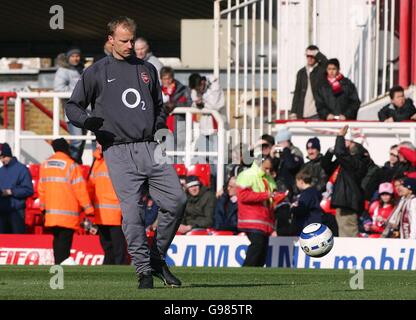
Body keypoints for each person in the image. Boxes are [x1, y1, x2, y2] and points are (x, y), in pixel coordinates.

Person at [65, 16, 187, 289]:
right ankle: (144, 271)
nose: (130, 45)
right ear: (110, 40)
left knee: (177, 200)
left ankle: (156, 256)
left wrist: (159, 128)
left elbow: (158, 108)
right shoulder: (95, 72)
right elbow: (72, 107)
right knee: (132, 214)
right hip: (117, 150)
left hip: (150, 147)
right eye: (124, 40)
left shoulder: (147, 70)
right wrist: (87, 122)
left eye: (132, 39)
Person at [38, 138, 94, 264]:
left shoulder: (45, 165)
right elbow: (80, 190)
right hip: (67, 214)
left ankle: (58, 265)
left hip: (51, 214)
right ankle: (62, 268)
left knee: (57, 240)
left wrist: (43, 208)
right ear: (66, 149)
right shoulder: (71, 165)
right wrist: (88, 208)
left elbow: (41, 189)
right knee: (65, 242)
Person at [87, 143, 127, 265]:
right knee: (108, 245)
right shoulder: (98, 162)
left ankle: (117, 267)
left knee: (116, 246)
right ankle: (111, 265)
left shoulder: (115, 162)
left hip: (114, 213)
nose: (98, 145)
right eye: (98, 143)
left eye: (100, 143)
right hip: (103, 213)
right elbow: (90, 187)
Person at [329, 125, 371, 237]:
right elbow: (328, 163)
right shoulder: (355, 162)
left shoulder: (356, 163)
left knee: (349, 234)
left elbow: (340, 153)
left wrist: (340, 137)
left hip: (348, 203)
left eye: (350, 142)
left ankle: (352, 253)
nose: (347, 144)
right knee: (344, 232)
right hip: (346, 203)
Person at [236, 156, 278, 267]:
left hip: (264, 220)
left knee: (262, 251)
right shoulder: (247, 175)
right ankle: (246, 272)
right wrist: (266, 195)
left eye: (270, 169)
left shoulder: (268, 178)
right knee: (257, 245)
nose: (268, 171)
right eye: (266, 168)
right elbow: (243, 196)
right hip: (252, 219)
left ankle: (255, 275)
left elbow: (273, 195)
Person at [54, 47, 86, 164]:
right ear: (68, 58)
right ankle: (73, 164)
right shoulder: (62, 71)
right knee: (77, 141)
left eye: (77, 56)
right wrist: (78, 92)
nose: (75, 58)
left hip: (87, 111)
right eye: (73, 56)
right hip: (72, 112)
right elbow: (58, 89)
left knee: (85, 141)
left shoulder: (83, 69)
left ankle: (79, 164)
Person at [0, 143, 34, 234]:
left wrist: (11, 192)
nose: (2, 160)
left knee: (18, 240)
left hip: (16, 212)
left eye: (3, 157)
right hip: (2, 212)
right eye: (0, 158)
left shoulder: (22, 169)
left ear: (9, 155)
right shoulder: (1, 171)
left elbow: (29, 190)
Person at [290, 45, 327, 120]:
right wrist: (293, 112)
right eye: (307, 56)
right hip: (302, 113)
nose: (309, 58)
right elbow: (297, 92)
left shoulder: (321, 70)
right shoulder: (301, 72)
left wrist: (318, 54)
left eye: (312, 56)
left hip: (316, 113)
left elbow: (328, 65)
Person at [160, 66, 191, 155]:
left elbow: (189, 104)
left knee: (179, 155)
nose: (167, 81)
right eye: (164, 79)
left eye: (169, 78)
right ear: (161, 79)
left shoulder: (183, 90)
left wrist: (175, 105)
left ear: (173, 78)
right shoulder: (157, 91)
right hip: (162, 127)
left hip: (179, 127)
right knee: (163, 155)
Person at [272, 128, 304, 199]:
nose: (279, 145)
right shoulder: (280, 153)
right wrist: (272, 156)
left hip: (292, 191)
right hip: (279, 189)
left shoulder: (295, 152)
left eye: (281, 142)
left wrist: (286, 149)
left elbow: (291, 166)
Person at [291, 168, 323, 235]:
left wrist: (293, 208)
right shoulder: (315, 192)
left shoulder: (306, 194)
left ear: (301, 181)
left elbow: (302, 209)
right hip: (316, 224)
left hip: (307, 226)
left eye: (296, 182)